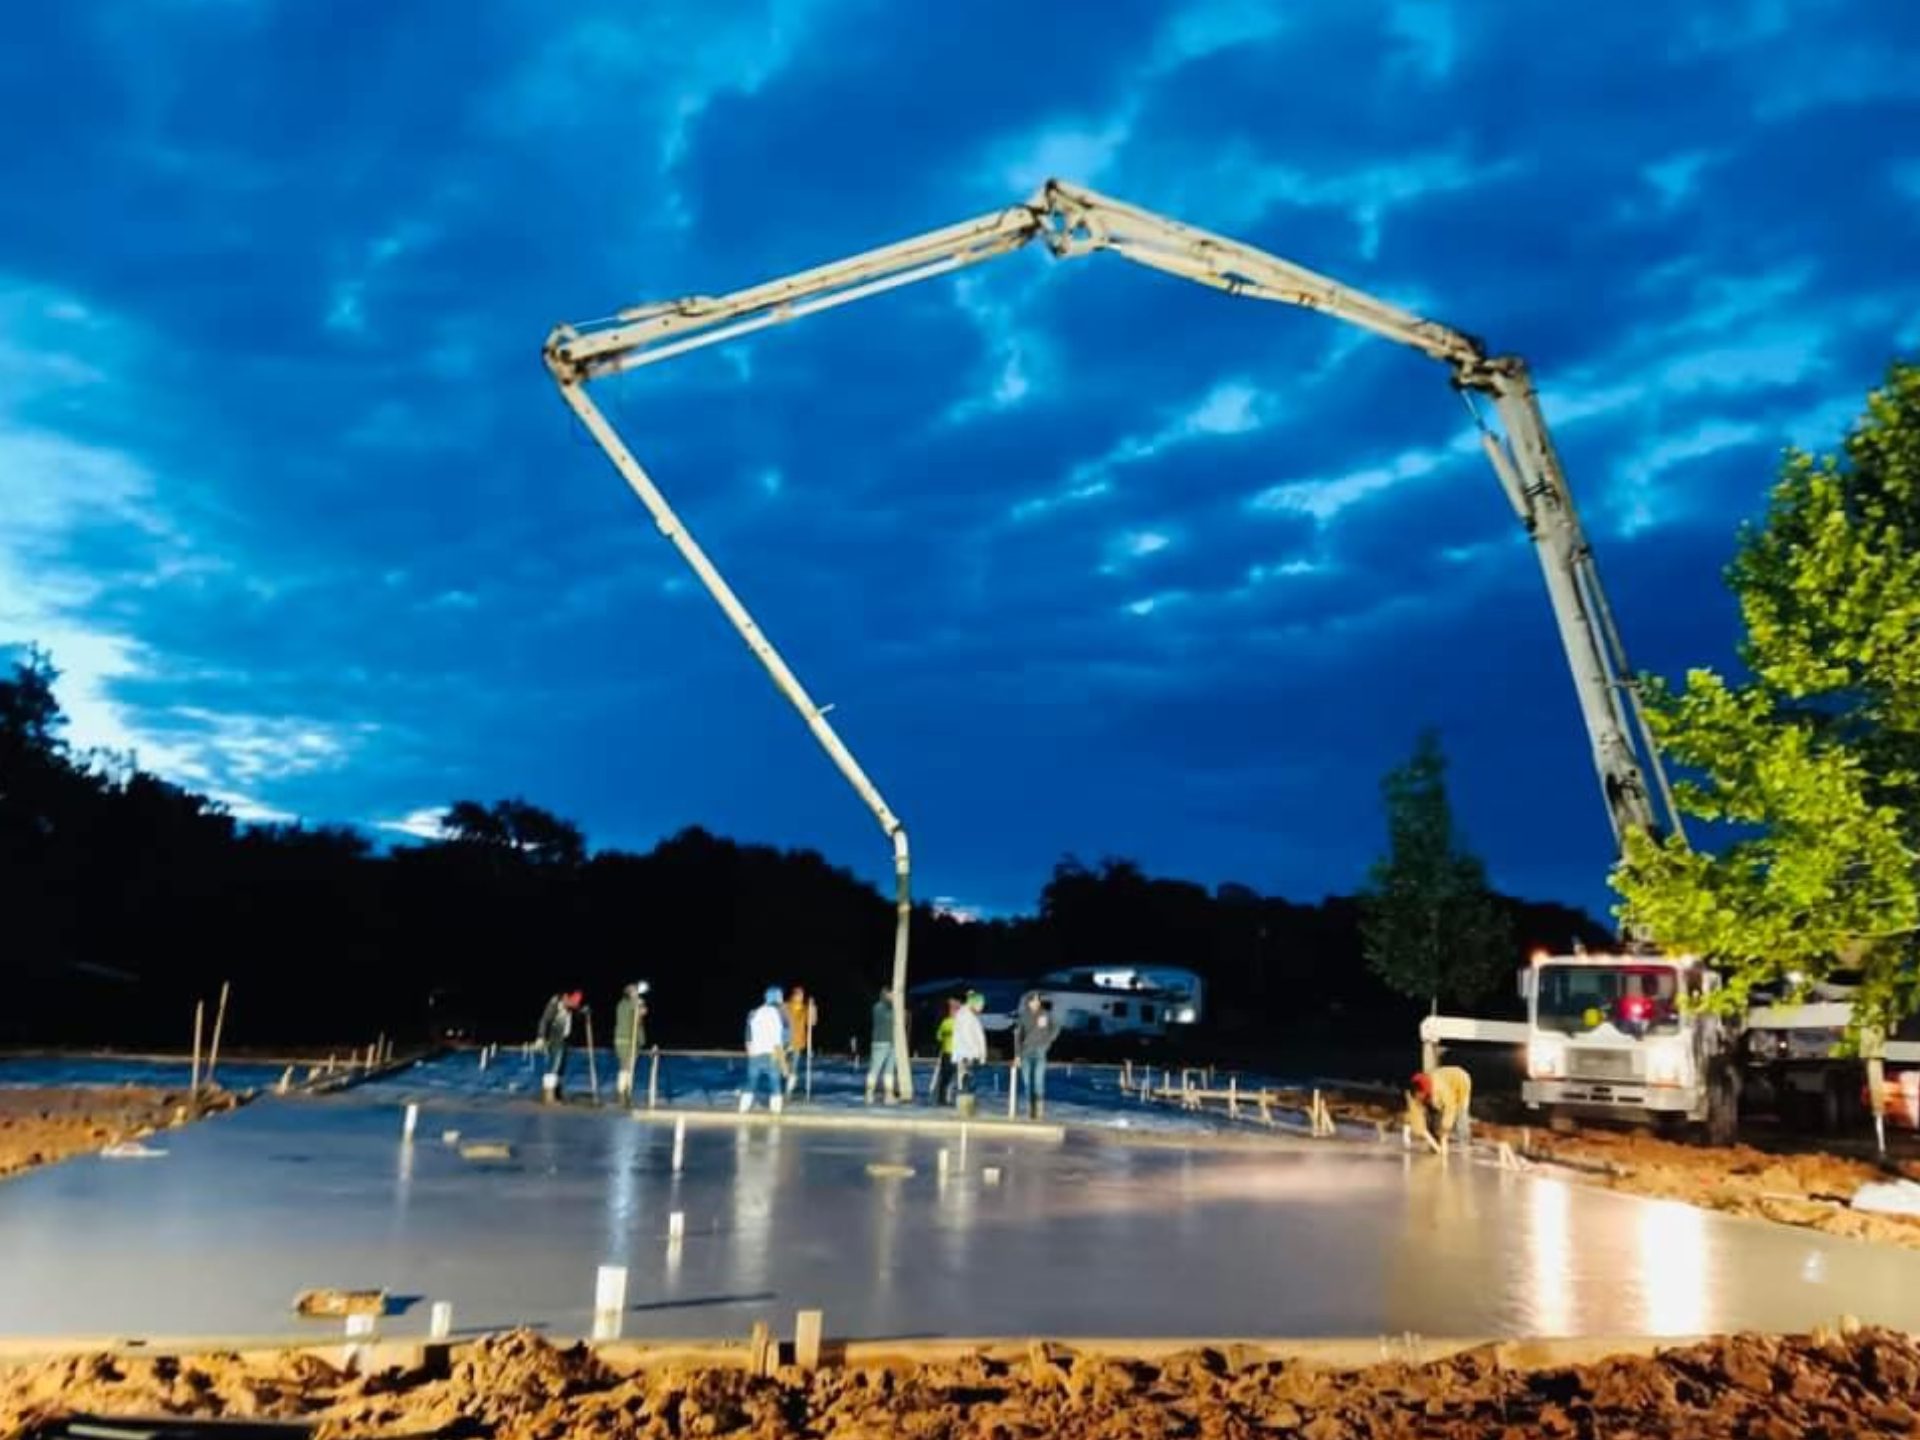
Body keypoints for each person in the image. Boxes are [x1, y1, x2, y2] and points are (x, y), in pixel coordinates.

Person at [741, 986, 788, 1114]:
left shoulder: (755, 1012)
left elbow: (748, 1034)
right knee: (775, 1083)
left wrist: (749, 1049)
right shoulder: (780, 1014)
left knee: (751, 1082)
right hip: (772, 1053)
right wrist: (783, 1063)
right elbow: (782, 1038)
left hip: (756, 1053)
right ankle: (776, 1112)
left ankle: (743, 1109)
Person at [1407, 1066, 1473, 1154]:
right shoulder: (1413, 1094)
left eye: (1420, 1095)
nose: (1418, 1099)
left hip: (1461, 1082)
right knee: (1433, 1113)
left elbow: (1450, 1107)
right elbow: (1417, 1120)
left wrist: (1444, 1134)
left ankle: (1464, 1144)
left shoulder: (1439, 1088)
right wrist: (1434, 1144)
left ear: (1422, 1091)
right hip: (1437, 1091)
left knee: (1461, 1114)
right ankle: (1437, 1141)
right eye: (1416, 1097)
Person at [1014, 992, 1059, 1120]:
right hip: (1026, 1052)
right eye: (1033, 1000)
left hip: (1040, 1051)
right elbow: (1017, 1037)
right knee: (1027, 1082)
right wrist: (1017, 1055)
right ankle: (1031, 1109)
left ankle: (1039, 1111)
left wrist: (1048, 1041)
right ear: (1028, 1002)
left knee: (1038, 1080)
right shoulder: (1023, 1017)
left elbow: (1056, 1027)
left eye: (1038, 1000)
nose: (1036, 1003)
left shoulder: (1045, 1014)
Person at [536, 990, 582, 1103]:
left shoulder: (569, 1006)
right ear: (566, 997)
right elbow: (544, 1020)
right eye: (572, 1002)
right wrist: (541, 1037)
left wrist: (583, 1012)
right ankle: (548, 1096)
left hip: (565, 1039)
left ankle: (557, 1093)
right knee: (554, 1065)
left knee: (561, 1067)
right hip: (555, 1037)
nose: (573, 1006)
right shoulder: (555, 1003)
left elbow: (576, 1013)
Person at [950, 989, 989, 1116]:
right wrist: (977, 1053)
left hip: (969, 1054)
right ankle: (965, 1110)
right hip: (968, 1055)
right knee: (966, 1082)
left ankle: (967, 1108)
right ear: (974, 1004)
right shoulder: (966, 1016)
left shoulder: (969, 1015)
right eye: (980, 1005)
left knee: (967, 1082)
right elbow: (968, 1037)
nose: (982, 1008)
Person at [613, 980, 650, 1103]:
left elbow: (643, 1012)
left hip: (634, 1041)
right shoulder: (623, 1005)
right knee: (625, 1067)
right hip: (624, 1040)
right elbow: (634, 1009)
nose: (636, 993)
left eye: (636, 991)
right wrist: (637, 1003)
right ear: (629, 993)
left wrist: (639, 1005)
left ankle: (627, 1092)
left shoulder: (634, 1005)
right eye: (633, 991)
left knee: (630, 1067)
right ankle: (621, 1093)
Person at [865, 985, 898, 1104]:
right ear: (886, 994)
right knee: (875, 1068)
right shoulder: (878, 1007)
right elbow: (886, 1017)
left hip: (892, 1043)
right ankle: (869, 1093)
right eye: (892, 994)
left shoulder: (892, 1007)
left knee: (889, 1070)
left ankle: (888, 1095)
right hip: (880, 1043)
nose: (894, 996)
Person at [784, 986, 814, 1097]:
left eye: (801, 995)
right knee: (782, 1065)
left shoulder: (805, 1008)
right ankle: (784, 1082)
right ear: (793, 995)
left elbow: (812, 1022)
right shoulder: (786, 1006)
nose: (800, 997)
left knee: (794, 1067)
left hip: (798, 1041)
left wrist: (812, 1008)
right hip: (785, 1041)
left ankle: (788, 1091)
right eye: (798, 994)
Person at [928, 996, 959, 1106]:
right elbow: (939, 1036)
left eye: (954, 1009)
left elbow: (939, 1036)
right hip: (950, 1053)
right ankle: (944, 1099)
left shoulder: (952, 1022)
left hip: (953, 1053)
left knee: (949, 1077)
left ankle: (946, 1098)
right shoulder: (949, 1022)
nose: (953, 1011)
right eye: (952, 1009)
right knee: (948, 1077)